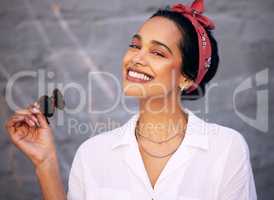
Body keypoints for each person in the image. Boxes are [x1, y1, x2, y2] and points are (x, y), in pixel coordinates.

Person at [5, 0, 257, 199]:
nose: (136, 58)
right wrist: (45, 163)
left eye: (157, 52)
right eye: (135, 46)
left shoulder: (225, 149)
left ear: (186, 79)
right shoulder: (92, 154)